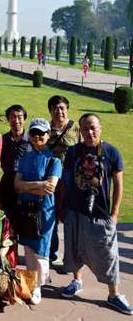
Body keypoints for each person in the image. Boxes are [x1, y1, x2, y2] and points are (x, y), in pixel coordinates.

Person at [60, 113, 132, 315]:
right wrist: (61, 206)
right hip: (74, 210)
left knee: (108, 254)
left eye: (93, 127)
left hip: (100, 213)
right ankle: (77, 280)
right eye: (85, 129)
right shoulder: (73, 151)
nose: (89, 132)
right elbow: (66, 181)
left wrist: (115, 212)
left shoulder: (111, 152)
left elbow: (118, 183)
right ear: (80, 131)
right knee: (74, 249)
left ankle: (114, 294)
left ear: (100, 128)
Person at [14, 118, 62, 305]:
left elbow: (50, 187)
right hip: (27, 209)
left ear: (48, 135)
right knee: (28, 249)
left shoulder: (54, 160)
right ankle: (31, 282)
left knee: (41, 250)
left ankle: (38, 286)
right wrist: (37, 184)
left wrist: (29, 187)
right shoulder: (25, 158)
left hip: (44, 211)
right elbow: (17, 186)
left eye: (41, 133)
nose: (37, 137)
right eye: (33, 133)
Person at [46, 95, 80, 265]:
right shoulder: (45, 128)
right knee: (50, 216)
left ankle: (71, 258)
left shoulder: (76, 128)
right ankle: (52, 254)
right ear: (50, 111)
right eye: (55, 108)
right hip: (51, 179)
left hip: (70, 180)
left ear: (67, 109)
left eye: (62, 108)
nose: (59, 111)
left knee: (69, 218)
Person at [0, 105, 31, 267]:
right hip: (8, 184)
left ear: (24, 119)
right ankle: (11, 259)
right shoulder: (3, 139)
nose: (16, 120)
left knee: (26, 222)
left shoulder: (31, 139)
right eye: (12, 117)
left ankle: (33, 263)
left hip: (26, 185)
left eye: (19, 117)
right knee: (8, 222)